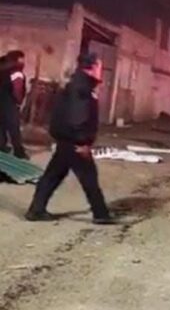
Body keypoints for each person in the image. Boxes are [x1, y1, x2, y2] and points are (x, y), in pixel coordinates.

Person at [25, 53, 115, 224]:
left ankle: (36, 210)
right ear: (93, 67)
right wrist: (83, 142)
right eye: (99, 66)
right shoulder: (82, 89)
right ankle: (101, 214)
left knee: (52, 176)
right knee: (88, 178)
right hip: (75, 143)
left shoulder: (74, 85)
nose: (101, 70)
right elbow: (76, 119)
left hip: (65, 141)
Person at [0, 50, 29, 159]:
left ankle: (1, 147)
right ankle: (19, 152)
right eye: (22, 59)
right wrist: (19, 102)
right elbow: (17, 90)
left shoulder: (2, 67)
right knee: (14, 127)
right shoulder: (16, 72)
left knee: (1, 126)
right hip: (9, 102)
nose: (24, 62)